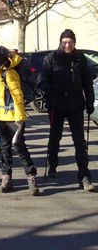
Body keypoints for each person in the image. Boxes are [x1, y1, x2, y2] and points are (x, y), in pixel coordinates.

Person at [38, 29, 95, 191]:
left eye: (70, 42)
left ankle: (84, 176)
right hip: (57, 105)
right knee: (55, 138)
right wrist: (50, 89)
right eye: (64, 42)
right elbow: (41, 80)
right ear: (60, 43)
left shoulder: (80, 59)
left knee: (79, 141)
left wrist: (89, 102)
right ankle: (53, 166)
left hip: (76, 105)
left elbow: (87, 83)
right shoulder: (51, 58)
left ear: (74, 43)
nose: (67, 45)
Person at [0, 45, 39, 195]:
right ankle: (6, 178)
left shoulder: (9, 73)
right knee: (4, 149)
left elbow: (17, 96)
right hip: (1, 117)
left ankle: (31, 177)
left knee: (19, 148)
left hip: (13, 118)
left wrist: (20, 118)